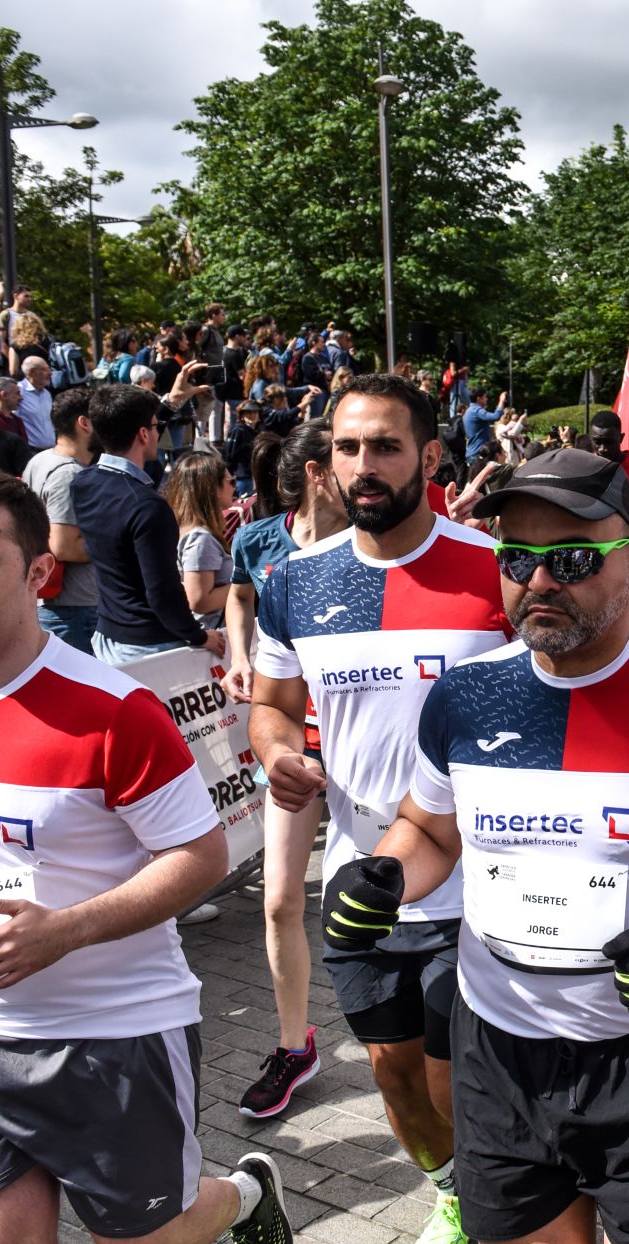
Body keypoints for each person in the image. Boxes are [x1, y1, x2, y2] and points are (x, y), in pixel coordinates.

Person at [323, 448, 629, 1244]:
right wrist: (385, 876)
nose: (540, 580)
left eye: (573, 559)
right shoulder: (464, 695)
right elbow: (431, 833)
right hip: (498, 1051)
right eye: (518, 558)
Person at [0, 467, 293, 1244]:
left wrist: (66, 930)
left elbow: (200, 856)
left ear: (39, 572)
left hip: (107, 1036)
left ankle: (249, 1196)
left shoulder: (114, 708)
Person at [251, 375, 510, 1244]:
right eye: (348, 448)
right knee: (395, 1073)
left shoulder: (495, 568)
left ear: (431, 458)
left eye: (386, 446)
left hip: (483, 882)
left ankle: (506, 1203)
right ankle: (454, 1194)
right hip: (361, 879)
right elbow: (274, 706)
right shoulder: (293, 583)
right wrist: (279, 752)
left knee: (454, 1073)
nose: (364, 466)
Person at [224, 421, 352, 1123]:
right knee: (279, 902)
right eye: (346, 458)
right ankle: (292, 1044)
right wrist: (241, 653)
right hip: (294, 746)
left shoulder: (372, 544)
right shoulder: (259, 539)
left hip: (367, 750)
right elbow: (238, 596)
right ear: (316, 472)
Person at [72, 382, 223, 665]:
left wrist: (168, 403)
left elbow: (133, 458)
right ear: (143, 434)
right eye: (155, 426)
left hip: (108, 638)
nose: (158, 432)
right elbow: (162, 592)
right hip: (152, 650)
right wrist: (200, 637)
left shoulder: (83, 483)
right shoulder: (147, 506)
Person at [21, 385, 100, 653]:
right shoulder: (68, 474)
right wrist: (116, 546)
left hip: (61, 605)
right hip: (73, 608)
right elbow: (64, 546)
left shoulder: (40, 460)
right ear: (84, 423)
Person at [167, 452, 237, 632]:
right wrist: (247, 584)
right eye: (231, 481)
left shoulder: (187, 529)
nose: (234, 488)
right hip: (208, 639)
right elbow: (199, 600)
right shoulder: (200, 538)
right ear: (214, 489)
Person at [12, 355, 55, 450]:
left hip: (50, 451)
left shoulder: (46, 393)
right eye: (44, 370)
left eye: (49, 369)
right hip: (30, 451)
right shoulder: (19, 391)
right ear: (32, 372)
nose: (50, 373)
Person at [462, 386, 502, 473]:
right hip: (478, 454)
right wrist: (501, 401)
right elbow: (495, 417)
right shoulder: (477, 411)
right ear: (478, 398)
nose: (487, 399)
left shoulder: (469, 411)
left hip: (472, 452)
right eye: (485, 397)